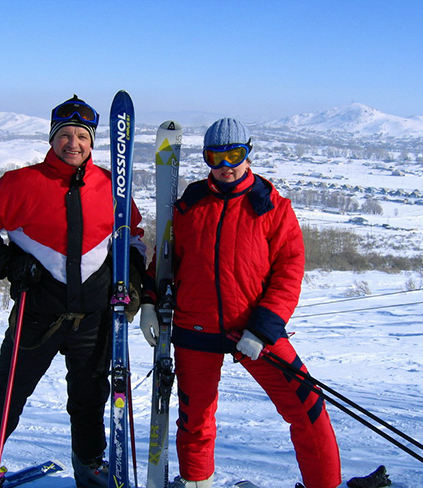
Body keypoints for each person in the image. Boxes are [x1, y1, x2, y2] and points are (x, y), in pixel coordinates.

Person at [0, 95, 146, 488]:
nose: (73, 143)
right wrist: (8, 263)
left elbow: (131, 237)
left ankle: (89, 464)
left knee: (90, 398)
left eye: (82, 136)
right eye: (65, 135)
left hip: (94, 315)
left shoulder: (110, 186)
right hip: (38, 313)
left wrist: (133, 281)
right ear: (52, 139)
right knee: (8, 392)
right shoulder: (20, 184)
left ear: (92, 141)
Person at [139, 118, 342, 488]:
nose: (226, 166)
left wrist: (263, 328)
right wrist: (150, 301)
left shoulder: (270, 205)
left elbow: (290, 268)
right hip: (194, 327)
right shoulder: (192, 203)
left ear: (248, 153)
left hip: (251, 330)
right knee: (195, 419)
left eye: (235, 155)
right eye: (216, 157)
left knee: (307, 406)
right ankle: (198, 483)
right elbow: (167, 259)